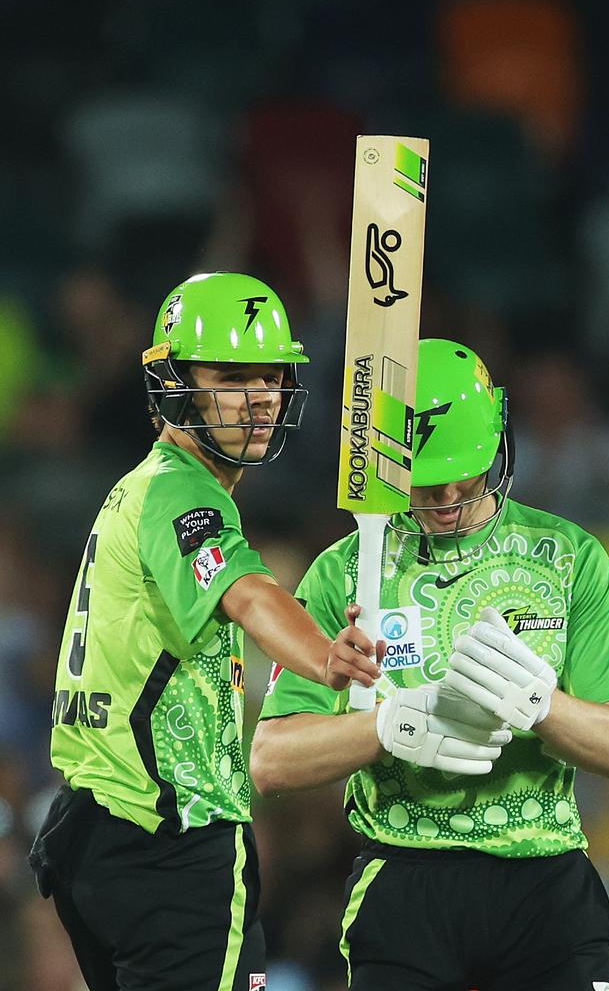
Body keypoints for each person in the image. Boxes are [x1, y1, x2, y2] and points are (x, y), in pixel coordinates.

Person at [251, 337, 609, 991]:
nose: (453, 495)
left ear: (499, 436)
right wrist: (388, 725)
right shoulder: (344, 572)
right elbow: (272, 759)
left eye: (469, 469)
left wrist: (542, 704)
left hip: (544, 875)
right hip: (406, 874)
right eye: (429, 481)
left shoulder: (570, 557)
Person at [28, 271, 382, 991]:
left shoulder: (142, 487)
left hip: (101, 830)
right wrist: (327, 657)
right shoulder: (182, 492)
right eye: (230, 378)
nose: (258, 399)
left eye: (270, 378)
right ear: (175, 384)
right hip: (171, 840)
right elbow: (248, 594)